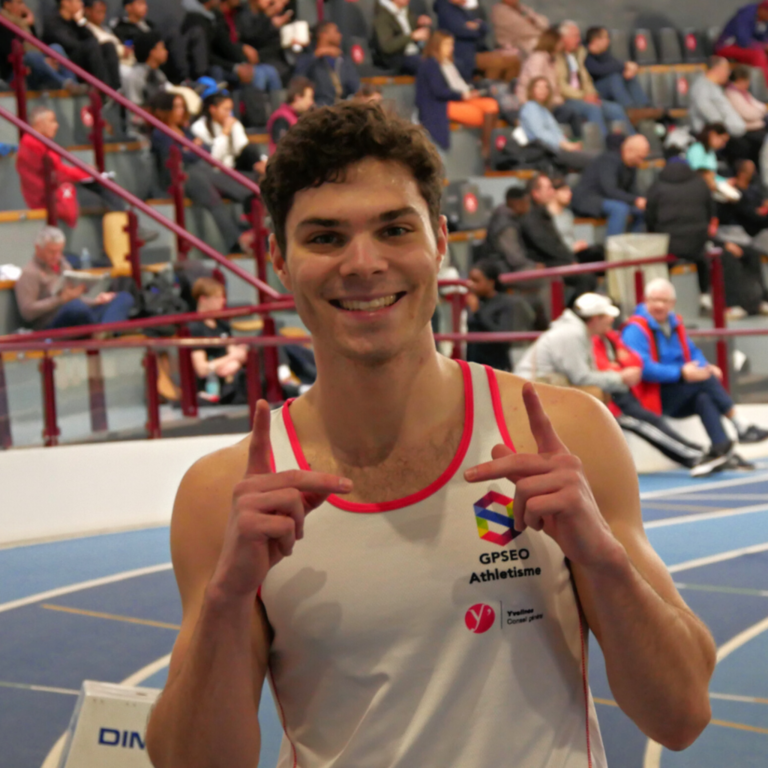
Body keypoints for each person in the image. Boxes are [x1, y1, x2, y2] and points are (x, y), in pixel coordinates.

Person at [145, 101, 715, 768]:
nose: (363, 264)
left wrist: (603, 561)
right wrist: (225, 601)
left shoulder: (565, 434)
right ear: (279, 258)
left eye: (394, 230)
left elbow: (680, 715)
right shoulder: (224, 494)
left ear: (440, 241)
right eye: (325, 238)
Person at [516, 292, 720, 474]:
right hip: (538, 396)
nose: (611, 320)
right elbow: (582, 378)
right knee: (631, 418)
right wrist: (621, 378)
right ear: (595, 318)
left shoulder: (578, 332)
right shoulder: (572, 334)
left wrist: (618, 379)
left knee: (631, 416)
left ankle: (694, 453)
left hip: (547, 394)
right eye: (607, 316)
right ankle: (695, 454)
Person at [622, 278, 768, 461]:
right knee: (705, 380)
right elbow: (642, 368)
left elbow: (692, 352)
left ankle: (722, 449)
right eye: (654, 300)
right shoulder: (634, 330)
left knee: (704, 396)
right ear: (645, 300)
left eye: (664, 301)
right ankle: (740, 425)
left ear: (672, 303)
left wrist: (705, 367)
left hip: (678, 391)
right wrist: (681, 373)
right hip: (653, 395)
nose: (659, 305)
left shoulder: (675, 323)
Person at [149, 91, 252, 254]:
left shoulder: (184, 129)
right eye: (176, 107)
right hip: (178, 178)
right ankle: (235, 242)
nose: (181, 111)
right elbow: (177, 157)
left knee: (240, 182)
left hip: (199, 170)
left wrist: (190, 149)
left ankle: (252, 216)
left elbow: (205, 149)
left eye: (182, 106)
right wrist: (192, 148)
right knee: (204, 184)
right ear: (165, 109)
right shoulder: (160, 133)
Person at [16, 106, 136, 228]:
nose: (56, 125)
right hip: (47, 196)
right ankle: (128, 226)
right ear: (39, 123)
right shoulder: (33, 144)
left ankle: (128, 224)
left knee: (105, 185)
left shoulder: (36, 141)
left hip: (51, 189)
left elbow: (58, 170)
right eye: (52, 121)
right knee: (103, 188)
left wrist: (85, 172)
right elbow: (59, 172)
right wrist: (86, 172)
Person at [14, 226, 134, 331]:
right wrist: (60, 300)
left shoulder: (63, 264)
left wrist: (96, 301)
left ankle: (102, 330)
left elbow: (75, 297)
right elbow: (27, 312)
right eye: (51, 252)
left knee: (123, 297)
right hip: (52, 323)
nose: (57, 256)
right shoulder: (30, 273)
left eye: (60, 251)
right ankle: (106, 328)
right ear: (38, 248)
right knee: (76, 307)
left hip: (79, 315)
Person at [645, 156, 715, 313]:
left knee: (662, 264)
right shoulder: (700, 183)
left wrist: (655, 233)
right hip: (697, 241)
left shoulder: (657, 186)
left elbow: (650, 216)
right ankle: (704, 295)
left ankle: (663, 302)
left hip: (668, 242)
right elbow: (710, 210)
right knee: (703, 259)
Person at [416, 30, 499, 156]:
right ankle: (486, 149)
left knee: (492, 105)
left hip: (459, 97)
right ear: (437, 45)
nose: (451, 48)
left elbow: (459, 84)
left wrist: (469, 93)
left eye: (451, 44)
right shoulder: (430, 65)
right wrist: (462, 95)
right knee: (482, 115)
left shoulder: (449, 63)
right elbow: (439, 91)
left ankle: (485, 144)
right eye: (447, 44)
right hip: (441, 104)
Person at [521, 172, 596, 296]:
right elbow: (547, 246)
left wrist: (571, 260)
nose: (552, 192)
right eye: (548, 188)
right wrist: (570, 262)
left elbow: (556, 242)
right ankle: (572, 308)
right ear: (536, 194)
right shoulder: (530, 217)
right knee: (586, 278)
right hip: (542, 265)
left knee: (596, 254)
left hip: (556, 261)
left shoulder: (543, 214)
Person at [555, 20, 632, 137]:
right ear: (563, 38)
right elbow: (561, 86)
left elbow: (586, 80)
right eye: (575, 36)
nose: (579, 40)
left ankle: (633, 140)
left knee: (616, 109)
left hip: (584, 97)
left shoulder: (579, 54)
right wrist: (583, 96)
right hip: (567, 99)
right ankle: (602, 144)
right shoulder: (556, 57)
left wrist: (592, 94)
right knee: (593, 110)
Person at [688, 56, 763, 166]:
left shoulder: (715, 87)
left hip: (733, 132)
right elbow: (713, 119)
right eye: (726, 69)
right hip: (715, 135)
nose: (728, 73)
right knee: (750, 146)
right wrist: (726, 131)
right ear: (717, 69)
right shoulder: (701, 88)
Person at [111, 0, 207, 85]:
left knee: (195, 33)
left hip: (163, 57)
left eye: (145, 3)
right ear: (128, 7)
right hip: (145, 60)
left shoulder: (150, 25)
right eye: (140, 3)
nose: (145, 7)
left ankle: (200, 76)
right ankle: (184, 78)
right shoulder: (121, 28)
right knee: (173, 35)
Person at [572, 134, 650, 238]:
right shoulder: (609, 160)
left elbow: (633, 190)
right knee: (620, 209)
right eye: (640, 157)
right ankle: (613, 246)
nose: (641, 162)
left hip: (608, 200)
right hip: (587, 199)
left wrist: (641, 200)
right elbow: (610, 190)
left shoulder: (632, 165)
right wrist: (635, 200)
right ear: (628, 150)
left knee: (642, 210)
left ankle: (635, 244)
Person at [188, 276, 249, 404]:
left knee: (270, 337)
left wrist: (236, 363)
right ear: (203, 299)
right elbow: (201, 369)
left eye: (223, 297)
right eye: (217, 297)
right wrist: (231, 358)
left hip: (232, 377)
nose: (223, 301)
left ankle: (285, 378)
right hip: (211, 386)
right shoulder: (195, 328)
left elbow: (238, 354)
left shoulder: (223, 325)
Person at [0, 0, 83, 92]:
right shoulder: (3, 24)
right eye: (19, 3)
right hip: (14, 71)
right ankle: (65, 84)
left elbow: (36, 43)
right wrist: (43, 62)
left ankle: (74, 84)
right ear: (7, 5)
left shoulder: (25, 22)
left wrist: (30, 24)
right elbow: (10, 53)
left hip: (36, 62)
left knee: (56, 48)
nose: (23, 6)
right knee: (31, 56)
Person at [465, 258, 534, 370]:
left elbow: (503, 336)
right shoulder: (474, 301)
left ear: (490, 282)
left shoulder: (504, 303)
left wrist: (478, 312)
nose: (470, 284)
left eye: (476, 281)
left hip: (496, 366)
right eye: (470, 280)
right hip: (474, 365)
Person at [515, 26, 583, 138]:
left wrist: (558, 99)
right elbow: (538, 86)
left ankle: (574, 142)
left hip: (549, 102)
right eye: (560, 41)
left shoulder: (550, 60)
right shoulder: (537, 58)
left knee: (572, 112)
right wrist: (556, 100)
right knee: (568, 112)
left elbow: (554, 86)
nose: (562, 44)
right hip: (533, 103)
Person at [518, 76, 594, 171]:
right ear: (531, 89)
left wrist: (567, 144)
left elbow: (556, 131)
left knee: (595, 157)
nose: (543, 90)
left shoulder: (543, 110)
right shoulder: (530, 107)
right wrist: (563, 145)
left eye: (546, 87)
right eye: (538, 87)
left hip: (557, 150)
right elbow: (540, 134)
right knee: (595, 160)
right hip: (546, 153)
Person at [43, 0, 121, 91]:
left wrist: (81, 22)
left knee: (108, 46)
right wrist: (87, 43)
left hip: (82, 60)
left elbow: (94, 39)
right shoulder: (53, 22)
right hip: (64, 63)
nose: (81, 4)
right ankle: (104, 90)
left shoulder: (75, 21)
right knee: (91, 46)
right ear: (65, 2)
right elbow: (70, 45)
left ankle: (115, 89)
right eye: (78, 1)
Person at [434, 0, 518, 82]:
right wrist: (476, 29)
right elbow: (461, 31)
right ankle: (490, 86)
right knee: (499, 61)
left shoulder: (462, 9)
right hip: (464, 55)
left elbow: (484, 27)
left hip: (480, 50)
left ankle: (502, 87)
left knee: (516, 60)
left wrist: (475, 26)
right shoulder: (445, 8)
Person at [191, 90, 264, 173]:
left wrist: (263, 160)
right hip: (214, 169)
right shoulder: (199, 127)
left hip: (235, 164)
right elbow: (214, 157)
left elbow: (243, 147)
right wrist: (225, 132)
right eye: (226, 109)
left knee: (252, 150)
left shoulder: (232, 122)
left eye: (230, 110)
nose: (229, 113)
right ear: (213, 109)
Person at [294, 22, 360, 107]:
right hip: (318, 106)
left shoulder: (343, 60)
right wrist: (317, 54)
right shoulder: (308, 58)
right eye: (336, 31)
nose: (340, 35)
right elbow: (298, 78)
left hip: (341, 106)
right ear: (323, 34)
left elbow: (355, 87)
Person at [584, 26, 649, 109]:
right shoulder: (585, 53)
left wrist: (627, 69)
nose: (608, 41)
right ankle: (629, 108)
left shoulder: (603, 53)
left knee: (627, 76)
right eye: (605, 38)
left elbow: (615, 64)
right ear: (596, 40)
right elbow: (599, 70)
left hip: (609, 89)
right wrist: (625, 66)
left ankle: (644, 106)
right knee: (614, 79)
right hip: (592, 91)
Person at [236, 0, 294, 85]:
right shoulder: (242, 13)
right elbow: (251, 37)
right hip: (259, 58)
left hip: (277, 58)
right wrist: (269, 20)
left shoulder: (264, 14)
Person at [548, 177, 604, 264]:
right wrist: (571, 248)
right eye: (565, 191)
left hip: (574, 252)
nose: (569, 194)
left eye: (569, 191)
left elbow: (571, 237)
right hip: (560, 255)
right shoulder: (546, 216)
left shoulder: (567, 214)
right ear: (554, 192)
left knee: (600, 250)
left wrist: (579, 244)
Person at [484, 186, 538, 272]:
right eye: (527, 202)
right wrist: (534, 265)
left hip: (507, 267)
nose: (529, 206)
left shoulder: (510, 218)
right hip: (503, 270)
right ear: (517, 203)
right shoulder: (506, 226)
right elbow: (515, 258)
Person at [715, 1, 768, 86]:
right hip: (727, 45)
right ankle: (763, 88)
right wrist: (762, 46)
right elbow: (742, 40)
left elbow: (764, 38)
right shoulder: (746, 14)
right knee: (758, 55)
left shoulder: (764, 20)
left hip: (746, 48)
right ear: (763, 10)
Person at [372, 0, 431, 75]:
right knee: (427, 65)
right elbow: (387, 46)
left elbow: (409, 29)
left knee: (437, 61)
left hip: (415, 53)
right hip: (397, 57)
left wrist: (419, 24)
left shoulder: (407, 11)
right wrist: (412, 36)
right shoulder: (383, 16)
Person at [83, 0, 132, 79]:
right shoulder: (85, 28)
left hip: (126, 60)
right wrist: (122, 51)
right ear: (88, 11)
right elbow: (102, 46)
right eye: (98, 12)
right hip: (111, 65)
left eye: (104, 12)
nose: (102, 15)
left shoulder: (106, 29)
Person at [265, 75, 314, 153]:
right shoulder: (281, 118)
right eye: (309, 97)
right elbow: (281, 147)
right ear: (298, 97)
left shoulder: (298, 117)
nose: (311, 102)